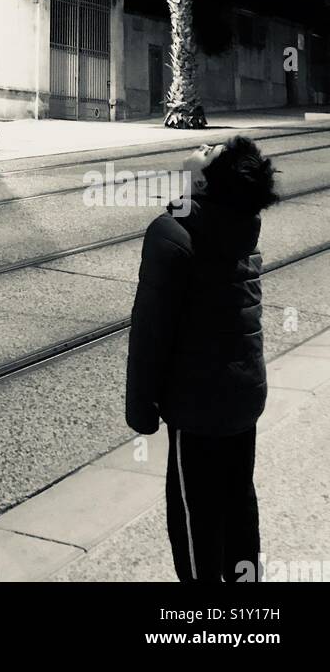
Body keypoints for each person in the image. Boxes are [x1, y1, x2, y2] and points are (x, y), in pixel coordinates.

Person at [125, 135, 279, 582]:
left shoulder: (172, 233)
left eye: (209, 152)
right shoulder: (240, 222)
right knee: (238, 500)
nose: (203, 146)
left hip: (198, 406)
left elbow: (151, 330)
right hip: (243, 395)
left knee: (195, 519)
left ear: (205, 184)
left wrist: (141, 409)